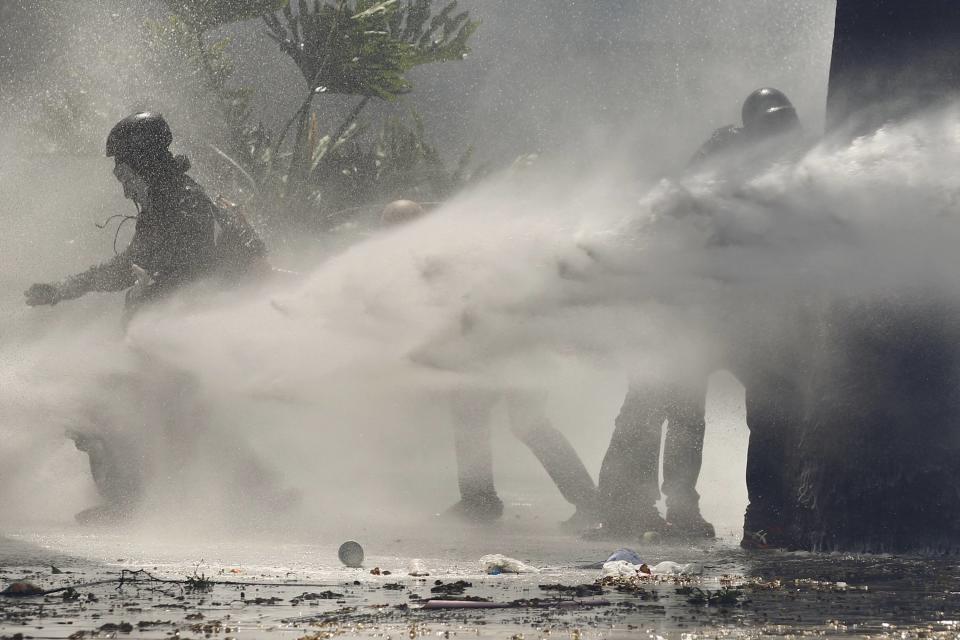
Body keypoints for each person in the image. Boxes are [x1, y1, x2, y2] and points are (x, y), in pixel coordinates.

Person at [25, 111, 268, 522]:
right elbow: (138, 266)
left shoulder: (181, 204)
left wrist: (69, 290)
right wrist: (63, 291)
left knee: (106, 408)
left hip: (183, 342)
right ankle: (262, 494)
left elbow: (167, 269)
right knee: (184, 421)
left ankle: (129, 507)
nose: (120, 181)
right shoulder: (170, 200)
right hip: (181, 341)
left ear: (142, 161)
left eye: (122, 168)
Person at [594, 88, 804, 542]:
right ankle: (648, 508)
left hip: (748, 312)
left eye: (785, 126)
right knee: (669, 405)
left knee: (770, 410)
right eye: (773, 126)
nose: (780, 136)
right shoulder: (722, 157)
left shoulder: (793, 170)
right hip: (694, 308)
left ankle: (765, 516)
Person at [380, 200, 600, 530]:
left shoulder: (441, 254)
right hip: (502, 346)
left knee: (517, 422)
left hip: (512, 345)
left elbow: (465, 308)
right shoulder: (441, 248)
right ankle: (483, 500)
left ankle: (580, 503)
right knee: (489, 419)